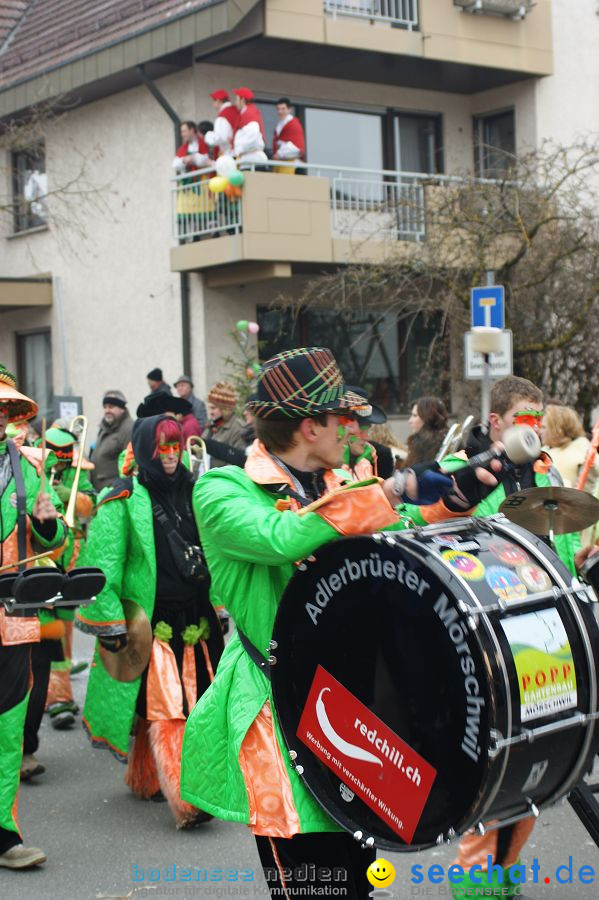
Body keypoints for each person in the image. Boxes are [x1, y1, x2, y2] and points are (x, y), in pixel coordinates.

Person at [180, 347, 503, 897]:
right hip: (278, 708)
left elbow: (400, 525)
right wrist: (393, 488)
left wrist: (456, 494)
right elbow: (278, 538)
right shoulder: (221, 489)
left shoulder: (338, 483)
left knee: (358, 881)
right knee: (312, 885)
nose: (350, 428)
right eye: (341, 418)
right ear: (310, 426)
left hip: (351, 710)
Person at [435, 375, 580, 898]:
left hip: (540, 635)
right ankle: (476, 888)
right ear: (495, 422)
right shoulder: (461, 474)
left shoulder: (543, 471)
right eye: (523, 418)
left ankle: (504, 879)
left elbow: (557, 551)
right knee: (492, 776)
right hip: (486, 644)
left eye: (538, 419)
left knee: (535, 770)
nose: (533, 428)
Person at [77, 415, 223, 828]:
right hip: (150, 625)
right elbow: (104, 565)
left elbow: (212, 554)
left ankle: (145, 775)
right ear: (145, 451)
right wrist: (109, 623)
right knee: (169, 709)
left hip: (197, 619)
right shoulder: (122, 497)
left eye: (176, 446)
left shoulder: (197, 492)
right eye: (163, 448)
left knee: (191, 705)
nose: (172, 456)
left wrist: (222, 603)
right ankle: (190, 798)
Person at [0, 364, 68, 869]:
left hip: (12, 615)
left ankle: (3, 833)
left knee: (6, 728)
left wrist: (47, 526)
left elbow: (54, 538)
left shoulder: (31, 465)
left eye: (3, 407)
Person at [39, 427, 96, 731]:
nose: (61, 466)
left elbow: (90, 503)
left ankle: (58, 695)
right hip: (40, 555)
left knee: (63, 629)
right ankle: (50, 695)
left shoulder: (77, 469)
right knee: (44, 629)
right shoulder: (34, 462)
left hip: (70, 553)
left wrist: (69, 496)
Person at [543, 403, 599, 493]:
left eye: (544, 427)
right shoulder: (543, 450)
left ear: (557, 429)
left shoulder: (582, 448)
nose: (540, 430)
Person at [90, 390, 134, 491]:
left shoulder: (128, 429)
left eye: (111, 407)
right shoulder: (105, 427)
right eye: (105, 407)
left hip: (115, 491)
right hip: (101, 490)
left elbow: (129, 463)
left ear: (122, 409)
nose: (107, 410)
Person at [204, 381, 246, 467]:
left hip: (220, 478)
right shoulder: (213, 424)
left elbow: (237, 462)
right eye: (209, 408)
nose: (210, 412)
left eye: (213, 408)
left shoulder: (238, 428)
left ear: (225, 409)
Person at [405, 395, 449, 466]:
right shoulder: (447, 437)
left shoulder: (422, 443)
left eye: (415, 416)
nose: (410, 421)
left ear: (427, 417)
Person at [232, 87, 267, 165]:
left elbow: (252, 136)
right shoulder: (248, 112)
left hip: (252, 160)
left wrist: (237, 150)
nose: (235, 103)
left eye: (237, 99)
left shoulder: (249, 114)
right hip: (249, 159)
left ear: (242, 100)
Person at [272, 98, 305, 174]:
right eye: (278, 109)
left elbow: (297, 146)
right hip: (280, 164)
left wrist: (279, 154)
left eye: (283, 109)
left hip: (290, 164)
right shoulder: (279, 125)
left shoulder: (294, 124)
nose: (280, 112)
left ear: (289, 110)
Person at [204, 90, 238, 157]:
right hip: (238, 152)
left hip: (229, 153)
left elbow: (221, 137)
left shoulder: (222, 116)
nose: (212, 104)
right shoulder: (236, 110)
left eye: (214, 100)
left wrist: (208, 136)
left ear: (219, 101)